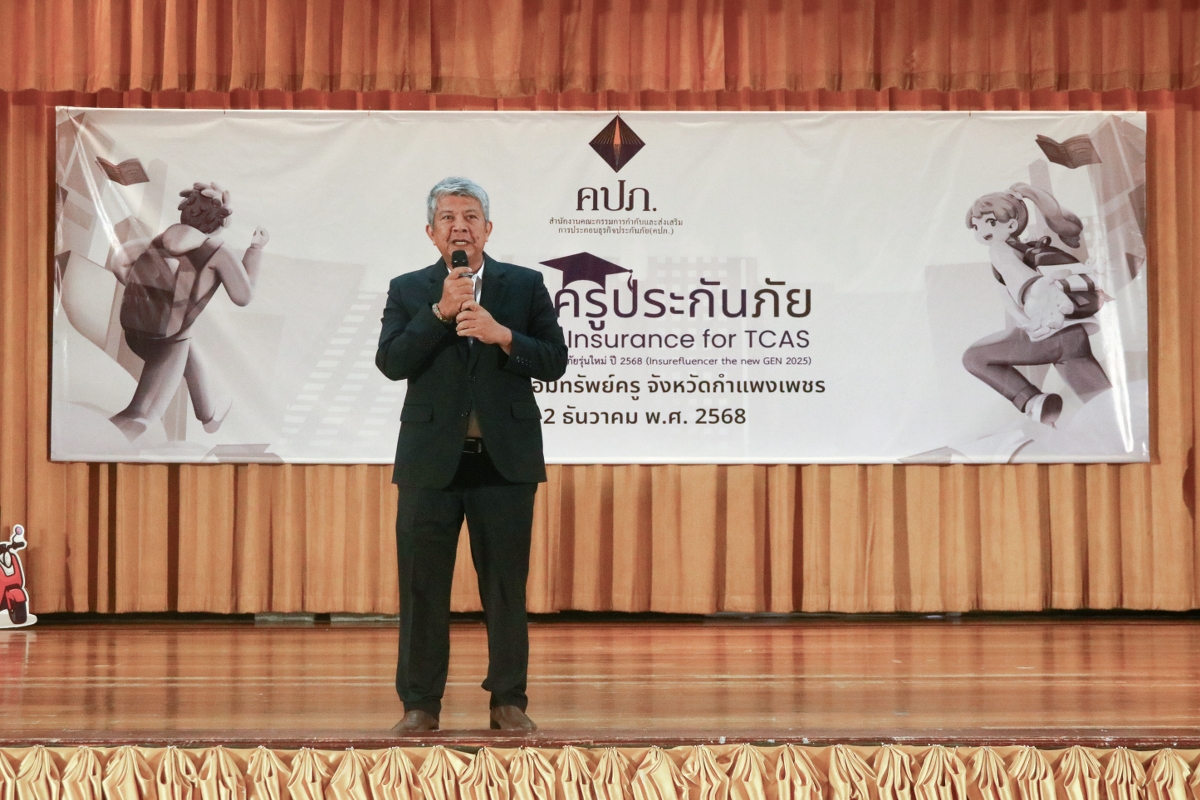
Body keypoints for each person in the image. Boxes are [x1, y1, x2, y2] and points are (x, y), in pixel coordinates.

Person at [376, 177, 568, 732]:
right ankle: (420, 704)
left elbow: (554, 360)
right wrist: (439, 313)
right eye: (448, 218)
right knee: (422, 588)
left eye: (470, 217)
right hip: (430, 462)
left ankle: (508, 700)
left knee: (505, 587)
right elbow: (392, 362)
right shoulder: (408, 289)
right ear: (431, 232)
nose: (459, 227)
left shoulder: (524, 285)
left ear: (488, 229)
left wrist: (502, 335)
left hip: (503, 462)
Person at [108, 181, 269, 440]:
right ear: (220, 220)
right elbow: (243, 296)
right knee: (141, 415)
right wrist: (255, 249)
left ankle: (209, 416)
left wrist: (145, 291)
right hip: (169, 340)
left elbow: (119, 262)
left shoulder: (159, 239)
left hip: (135, 331)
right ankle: (101, 440)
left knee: (190, 354)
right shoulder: (218, 251)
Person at [963, 183, 1110, 426]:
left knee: (974, 358)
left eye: (990, 222)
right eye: (976, 226)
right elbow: (1011, 298)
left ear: (1012, 225)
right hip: (1074, 337)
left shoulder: (1000, 249)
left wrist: (1033, 298)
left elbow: (1023, 282)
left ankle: (1033, 402)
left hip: (1050, 334)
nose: (982, 232)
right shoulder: (1030, 248)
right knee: (1105, 406)